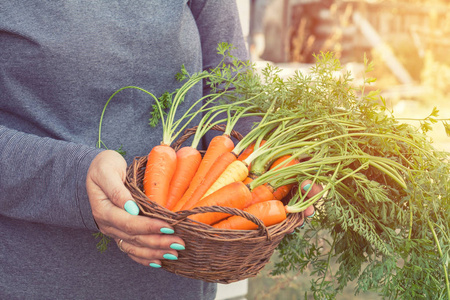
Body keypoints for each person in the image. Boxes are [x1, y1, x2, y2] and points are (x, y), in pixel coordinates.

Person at [0, 1, 318, 299]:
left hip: (180, 277)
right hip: (37, 280)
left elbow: (230, 87)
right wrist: (76, 178)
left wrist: (277, 161)